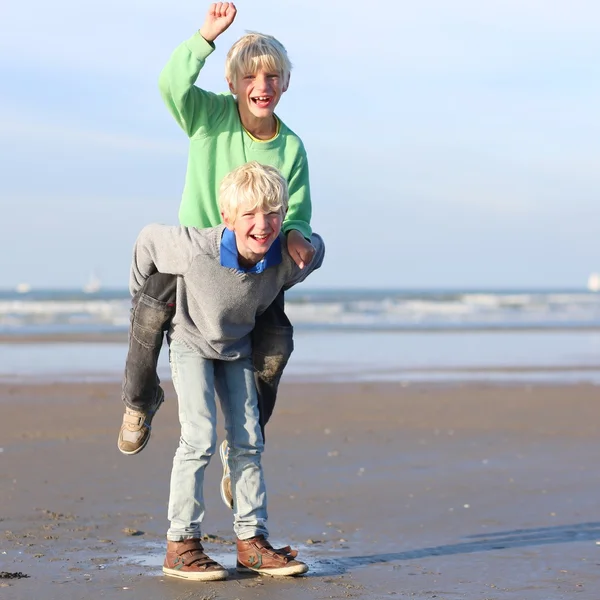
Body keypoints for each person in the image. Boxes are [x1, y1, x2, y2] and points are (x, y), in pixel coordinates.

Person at [118, 2, 315, 510]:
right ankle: (140, 402)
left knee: (276, 345)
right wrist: (204, 38)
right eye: (250, 75)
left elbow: (298, 213)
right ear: (233, 84)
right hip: (195, 258)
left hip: (251, 270)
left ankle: (240, 449)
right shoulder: (208, 117)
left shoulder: (291, 148)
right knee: (147, 318)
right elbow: (171, 87)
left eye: (272, 75)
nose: (262, 83)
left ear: (285, 84)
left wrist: (297, 235)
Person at [129, 162, 324, 580]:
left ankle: (252, 542)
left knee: (248, 440)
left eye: (272, 214)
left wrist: (299, 236)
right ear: (227, 218)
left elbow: (318, 249)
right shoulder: (195, 247)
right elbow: (147, 239)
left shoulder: (285, 259)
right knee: (198, 437)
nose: (262, 224)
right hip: (190, 342)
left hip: (237, 347)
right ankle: (180, 544)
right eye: (250, 215)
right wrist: (141, 305)